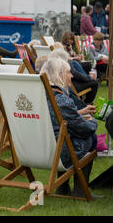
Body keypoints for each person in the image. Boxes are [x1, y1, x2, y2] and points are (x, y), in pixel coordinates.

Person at [40, 58, 99, 198]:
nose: (72, 76)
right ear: (59, 74)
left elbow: (55, 118)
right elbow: (84, 129)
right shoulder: (62, 100)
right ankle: (80, 191)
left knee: (64, 135)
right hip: (59, 152)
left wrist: (78, 113)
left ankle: (62, 186)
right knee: (90, 137)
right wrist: (93, 121)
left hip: (39, 147)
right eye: (68, 72)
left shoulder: (40, 95)